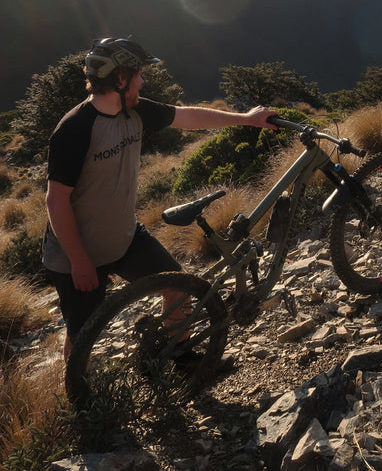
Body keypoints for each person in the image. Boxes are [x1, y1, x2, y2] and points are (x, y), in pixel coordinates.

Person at [43, 37, 278, 362]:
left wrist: (247, 119)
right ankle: (79, 405)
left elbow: (187, 118)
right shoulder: (74, 129)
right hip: (76, 253)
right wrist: (79, 260)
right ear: (120, 79)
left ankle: (178, 357)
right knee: (82, 334)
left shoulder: (136, 110)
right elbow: (55, 202)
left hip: (124, 238)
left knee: (180, 288)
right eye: (137, 74)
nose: (143, 80)